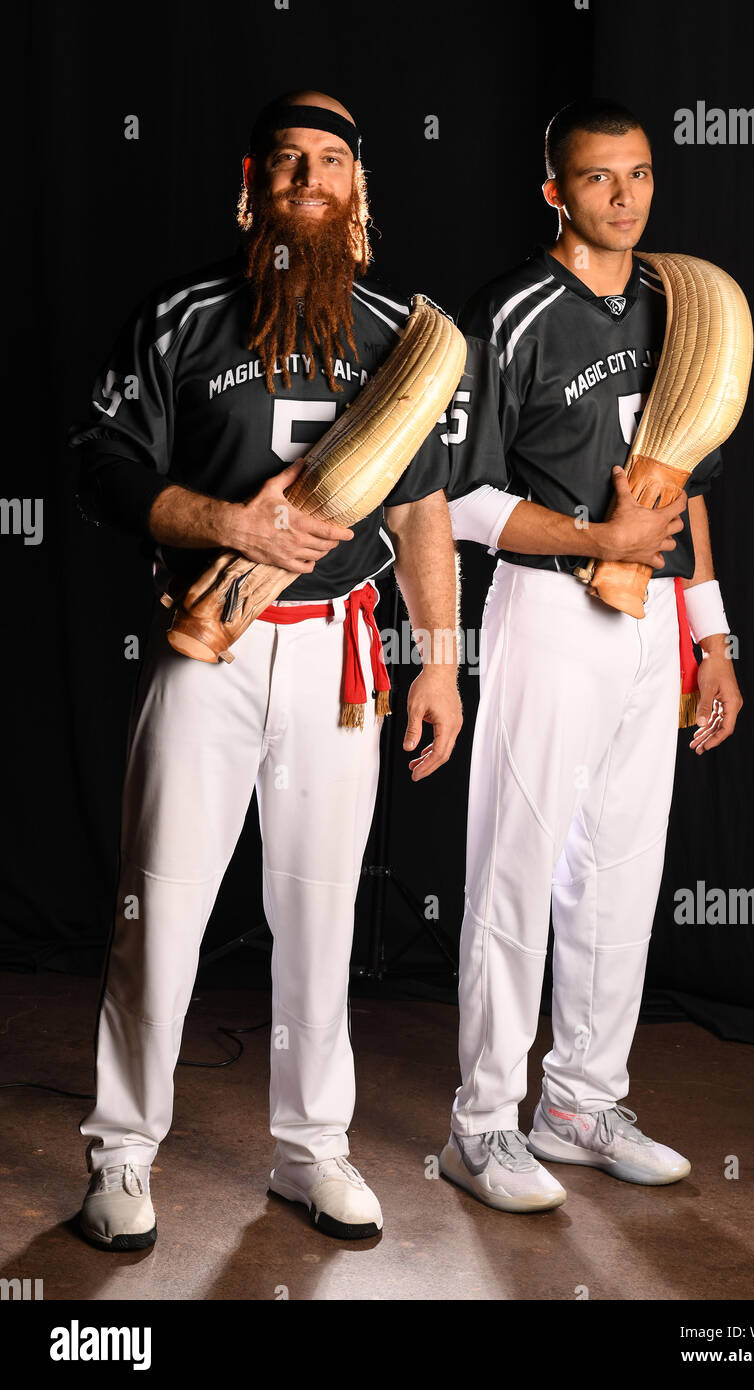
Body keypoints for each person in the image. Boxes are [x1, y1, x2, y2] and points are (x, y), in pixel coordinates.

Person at [68, 89, 464, 1246]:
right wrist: (223, 524)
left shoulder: (402, 333)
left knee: (319, 915)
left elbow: (425, 513)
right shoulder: (183, 314)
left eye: (328, 160)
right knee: (163, 903)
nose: (306, 178)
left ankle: (310, 1151)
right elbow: (101, 462)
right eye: (285, 160)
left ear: (357, 189)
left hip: (339, 653)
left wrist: (436, 663)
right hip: (211, 644)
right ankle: (123, 1151)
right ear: (254, 184)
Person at [438, 98, 743, 1212]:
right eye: (598, 179)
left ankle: (578, 1100)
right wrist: (594, 540)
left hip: (653, 620)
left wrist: (710, 636)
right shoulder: (509, 310)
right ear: (554, 192)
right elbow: (460, 498)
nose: (624, 197)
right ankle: (481, 1121)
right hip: (549, 605)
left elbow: (684, 483)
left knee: (618, 871)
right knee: (515, 864)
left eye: (640, 174)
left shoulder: (673, 303)